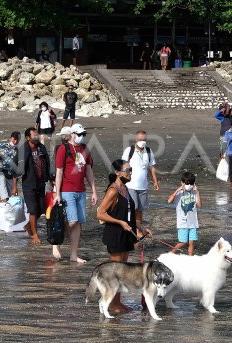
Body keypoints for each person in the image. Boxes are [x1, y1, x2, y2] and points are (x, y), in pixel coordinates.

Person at [96, 159, 152, 314]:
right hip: (115, 234)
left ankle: (117, 303)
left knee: (123, 272)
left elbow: (130, 215)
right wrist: (119, 222)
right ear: (117, 173)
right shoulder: (113, 190)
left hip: (126, 235)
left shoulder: (126, 189)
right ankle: (112, 305)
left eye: (131, 170)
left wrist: (141, 228)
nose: (130, 173)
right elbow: (100, 213)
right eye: (128, 170)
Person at [53, 123, 97, 263]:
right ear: (72, 134)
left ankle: (73, 254)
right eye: (79, 134)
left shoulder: (84, 149)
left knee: (78, 223)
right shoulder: (63, 149)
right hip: (67, 190)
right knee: (72, 221)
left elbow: (88, 170)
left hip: (81, 191)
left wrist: (94, 191)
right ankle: (56, 242)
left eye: (83, 134)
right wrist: (58, 193)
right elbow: (59, 172)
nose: (81, 137)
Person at [121, 130, 159, 229]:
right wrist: (122, 182)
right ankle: (130, 228)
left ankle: (138, 230)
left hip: (143, 186)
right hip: (131, 186)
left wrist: (155, 181)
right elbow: (124, 166)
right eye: (140, 139)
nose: (142, 141)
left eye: (144, 140)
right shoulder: (129, 150)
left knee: (140, 210)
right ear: (136, 139)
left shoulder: (149, 151)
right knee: (133, 208)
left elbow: (151, 167)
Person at [21, 127, 50, 244]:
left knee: (42, 208)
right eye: (34, 135)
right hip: (29, 183)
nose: (36, 137)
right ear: (28, 138)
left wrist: (50, 178)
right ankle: (34, 234)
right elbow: (16, 168)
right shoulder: (23, 150)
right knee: (32, 210)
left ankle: (28, 226)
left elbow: (47, 163)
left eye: (37, 135)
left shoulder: (41, 147)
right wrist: (14, 186)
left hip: (40, 182)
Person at [167, 171, 202, 255]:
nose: (189, 185)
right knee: (183, 242)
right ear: (182, 183)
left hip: (193, 223)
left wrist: (197, 192)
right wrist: (177, 190)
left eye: (191, 183)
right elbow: (169, 201)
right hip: (182, 223)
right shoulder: (179, 193)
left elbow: (199, 205)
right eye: (187, 183)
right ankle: (171, 253)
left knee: (191, 243)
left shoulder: (194, 193)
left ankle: (190, 258)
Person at [0, 131, 21, 195]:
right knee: (4, 194)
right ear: (10, 138)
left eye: (17, 140)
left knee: (11, 195)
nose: (15, 142)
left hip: (11, 176)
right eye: (14, 139)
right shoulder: (1, 146)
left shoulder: (18, 150)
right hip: (1, 172)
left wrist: (15, 186)